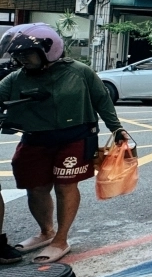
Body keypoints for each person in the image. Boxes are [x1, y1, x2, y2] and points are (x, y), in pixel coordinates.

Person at [0, 23, 128, 263]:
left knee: (65, 187)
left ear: (49, 51)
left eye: (26, 54)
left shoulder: (79, 71)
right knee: (35, 188)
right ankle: (46, 232)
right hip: (35, 138)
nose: (21, 60)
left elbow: (102, 100)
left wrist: (117, 128)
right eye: (17, 56)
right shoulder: (16, 79)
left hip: (75, 137)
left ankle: (61, 238)